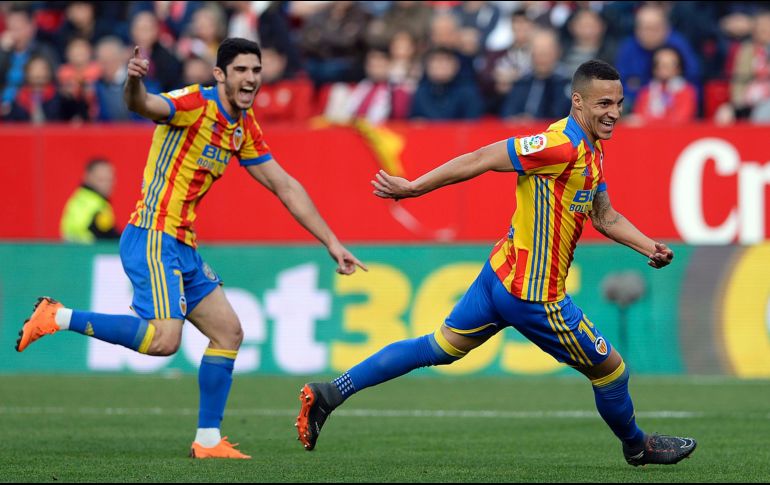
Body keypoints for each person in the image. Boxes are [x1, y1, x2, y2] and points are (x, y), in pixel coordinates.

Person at [296, 59, 697, 467]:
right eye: (604, 103)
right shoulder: (559, 145)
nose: (614, 112)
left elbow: (604, 215)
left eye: (619, 102)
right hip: (535, 296)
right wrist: (416, 187)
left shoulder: (591, 151)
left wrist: (648, 246)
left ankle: (331, 392)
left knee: (437, 347)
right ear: (578, 102)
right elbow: (485, 156)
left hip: (499, 277)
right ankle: (637, 446)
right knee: (612, 372)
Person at [16, 37, 366, 460]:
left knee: (228, 332)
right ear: (219, 74)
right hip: (152, 234)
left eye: (255, 70)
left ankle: (207, 439)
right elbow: (144, 106)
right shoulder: (191, 104)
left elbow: (285, 185)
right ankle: (57, 315)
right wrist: (132, 84)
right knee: (163, 341)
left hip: (182, 243)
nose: (250, 78)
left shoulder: (242, 127)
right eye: (240, 70)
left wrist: (331, 241)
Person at [60, 158, 120, 243]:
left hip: (71, 251)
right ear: (88, 177)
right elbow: (109, 235)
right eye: (101, 179)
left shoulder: (79, 198)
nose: (108, 184)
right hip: (87, 252)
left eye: (110, 180)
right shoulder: (97, 206)